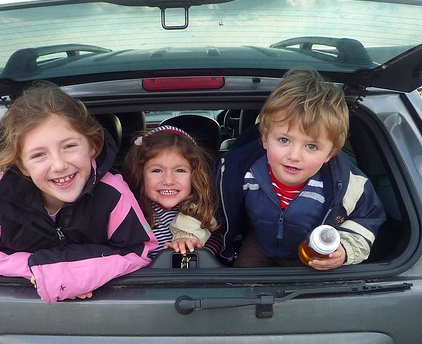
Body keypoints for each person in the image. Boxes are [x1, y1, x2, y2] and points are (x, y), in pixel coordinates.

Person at [0, 82, 157, 303]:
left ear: (92, 146)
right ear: (22, 165)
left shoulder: (113, 195)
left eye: (69, 146)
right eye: (38, 155)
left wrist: (75, 276)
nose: (59, 165)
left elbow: (140, 250)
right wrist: (38, 270)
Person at [217, 68, 386, 269]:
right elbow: (209, 205)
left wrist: (344, 248)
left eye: (311, 146)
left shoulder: (349, 184)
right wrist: (191, 234)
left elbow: (366, 219)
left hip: (309, 252)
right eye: (283, 140)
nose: (294, 156)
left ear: (330, 154)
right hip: (258, 244)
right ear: (264, 139)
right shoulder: (240, 172)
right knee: (240, 286)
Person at [124, 125, 219, 258]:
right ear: (141, 174)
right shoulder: (127, 213)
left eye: (180, 170)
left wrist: (186, 243)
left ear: (194, 175)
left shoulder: (200, 211)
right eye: (157, 170)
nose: (168, 181)